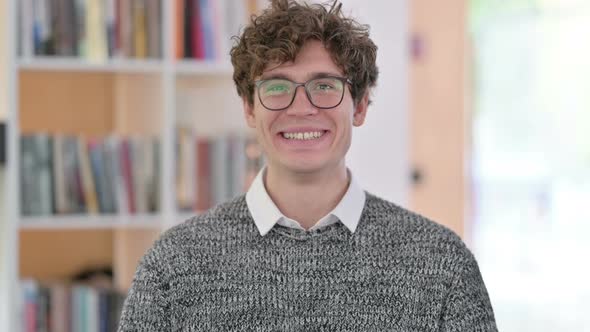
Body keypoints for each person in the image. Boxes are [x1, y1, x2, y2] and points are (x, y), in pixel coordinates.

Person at [117, 0, 498, 330]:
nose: (302, 107)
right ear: (250, 108)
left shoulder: (443, 263)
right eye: (277, 87)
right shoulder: (172, 265)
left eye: (325, 86)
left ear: (360, 106)